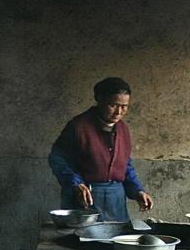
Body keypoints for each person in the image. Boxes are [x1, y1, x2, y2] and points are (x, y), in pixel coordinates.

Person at [48, 76, 154, 222]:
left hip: (115, 200)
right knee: (83, 241)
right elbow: (57, 159)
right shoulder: (78, 126)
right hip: (85, 197)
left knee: (116, 240)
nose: (119, 112)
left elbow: (125, 166)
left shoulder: (123, 129)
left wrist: (138, 191)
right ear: (100, 99)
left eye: (124, 106)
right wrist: (75, 183)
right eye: (113, 105)